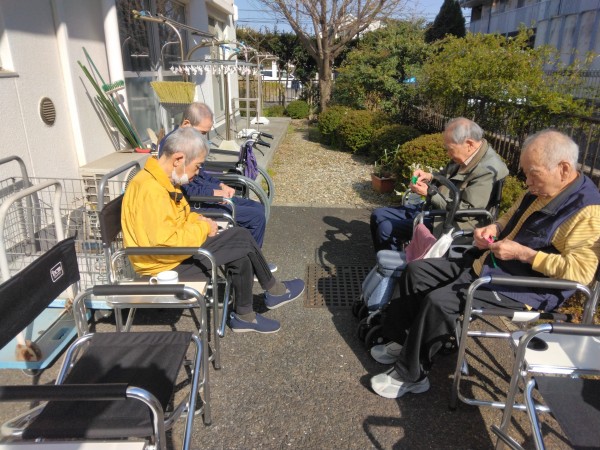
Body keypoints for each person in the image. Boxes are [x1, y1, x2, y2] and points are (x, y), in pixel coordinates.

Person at [369, 129, 600, 399]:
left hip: (526, 287)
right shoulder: (544, 188)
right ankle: (403, 341)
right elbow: (509, 217)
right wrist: (493, 228)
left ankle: (413, 375)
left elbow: (582, 272)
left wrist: (525, 254)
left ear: (564, 169)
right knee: (416, 271)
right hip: (492, 265)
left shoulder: (587, 211)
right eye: (526, 173)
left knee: (440, 301)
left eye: (533, 174)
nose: (527, 182)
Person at [122, 126, 304, 334]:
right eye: (197, 166)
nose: (197, 172)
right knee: (241, 237)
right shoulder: (152, 190)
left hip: (171, 257)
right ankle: (273, 290)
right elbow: (166, 243)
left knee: (239, 248)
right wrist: (202, 227)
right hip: (162, 268)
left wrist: (199, 219)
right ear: (179, 159)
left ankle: (245, 315)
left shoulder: (161, 180)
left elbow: (180, 215)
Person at [370, 118, 509, 252]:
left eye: (450, 149)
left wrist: (430, 194)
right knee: (378, 215)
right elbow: (445, 175)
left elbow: (465, 212)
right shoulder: (467, 154)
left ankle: (396, 265)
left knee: (386, 229)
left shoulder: (487, 170)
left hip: (452, 222)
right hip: (438, 208)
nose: (448, 154)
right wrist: (429, 177)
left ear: (469, 144)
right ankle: (385, 261)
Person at [159, 102, 268, 248]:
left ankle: (246, 253)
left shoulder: (189, 141)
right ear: (186, 124)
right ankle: (248, 256)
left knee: (258, 208)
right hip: (195, 202)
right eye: (202, 132)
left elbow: (201, 174)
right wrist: (214, 192)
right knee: (256, 217)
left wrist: (220, 185)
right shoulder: (175, 146)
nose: (204, 138)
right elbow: (183, 188)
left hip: (204, 194)